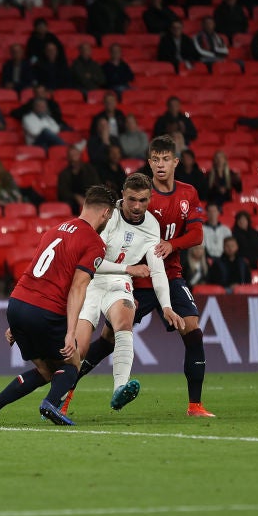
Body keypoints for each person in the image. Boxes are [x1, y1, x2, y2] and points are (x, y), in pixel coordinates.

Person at [80, 135, 214, 417]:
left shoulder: (188, 193)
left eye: (166, 159)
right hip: (132, 279)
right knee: (108, 339)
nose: (161, 165)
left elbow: (198, 234)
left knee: (192, 329)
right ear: (149, 162)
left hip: (169, 273)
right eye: (155, 159)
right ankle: (66, 390)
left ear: (175, 162)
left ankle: (195, 405)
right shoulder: (138, 195)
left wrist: (172, 245)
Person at [0, 185, 115, 427]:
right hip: (45, 310)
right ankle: (49, 403)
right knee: (73, 363)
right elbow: (78, 288)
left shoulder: (54, 230)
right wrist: (70, 333)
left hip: (18, 303)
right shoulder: (94, 242)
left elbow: (34, 271)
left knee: (47, 371)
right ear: (106, 213)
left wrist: (16, 323)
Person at [67, 174, 185, 413]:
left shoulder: (152, 225)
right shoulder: (108, 217)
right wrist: (129, 268)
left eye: (143, 200)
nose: (137, 206)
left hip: (119, 281)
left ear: (150, 198)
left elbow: (157, 268)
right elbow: (93, 261)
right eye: (132, 199)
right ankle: (61, 397)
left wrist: (166, 306)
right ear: (123, 195)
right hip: (90, 279)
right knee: (79, 348)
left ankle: (120, 388)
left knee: (124, 320)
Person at [57, 146, 101, 214]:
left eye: (75, 155)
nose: (74, 158)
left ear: (80, 155)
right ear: (68, 158)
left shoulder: (90, 170)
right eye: (71, 156)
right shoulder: (64, 174)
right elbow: (63, 193)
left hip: (90, 198)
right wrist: (76, 197)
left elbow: (97, 186)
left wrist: (87, 199)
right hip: (72, 202)